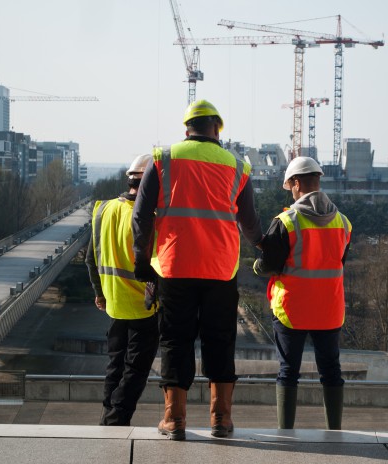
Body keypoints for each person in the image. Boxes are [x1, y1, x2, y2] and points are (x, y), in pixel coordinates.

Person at [131, 99, 263, 441]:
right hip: (220, 269)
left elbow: (141, 218)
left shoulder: (163, 158)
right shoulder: (237, 165)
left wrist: (142, 261)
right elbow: (249, 224)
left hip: (175, 267)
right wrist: (268, 248)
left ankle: (174, 421)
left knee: (176, 339)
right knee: (220, 340)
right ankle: (221, 420)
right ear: (217, 128)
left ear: (187, 128)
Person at [253, 156, 352, 430]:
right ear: (318, 181)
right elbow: (338, 263)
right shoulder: (343, 223)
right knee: (331, 371)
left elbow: (269, 265)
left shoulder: (287, 221)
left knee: (288, 372)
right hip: (329, 310)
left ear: (296, 183)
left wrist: (257, 265)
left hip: (292, 310)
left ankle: (286, 432)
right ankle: (335, 431)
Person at [85, 154, 160, 426]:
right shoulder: (149, 218)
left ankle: (108, 415)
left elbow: (91, 258)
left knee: (115, 367)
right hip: (144, 308)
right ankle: (115, 420)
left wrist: (99, 292)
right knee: (135, 371)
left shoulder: (102, 210)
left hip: (114, 305)